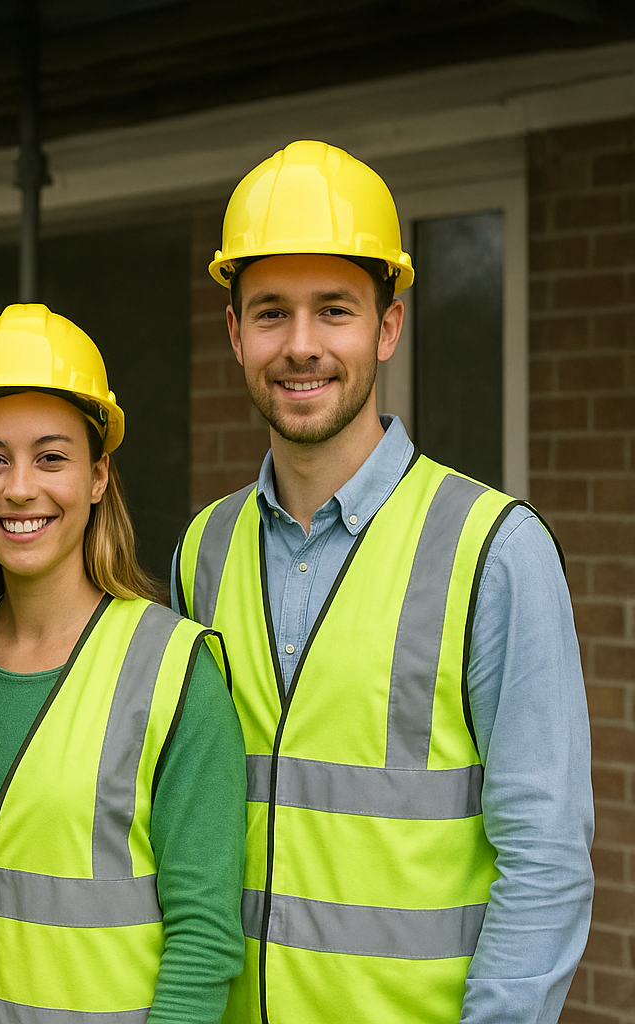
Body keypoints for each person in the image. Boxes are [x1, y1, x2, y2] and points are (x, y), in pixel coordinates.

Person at [173, 140, 594, 1024]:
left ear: (388, 328)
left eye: (334, 310)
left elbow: (546, 863)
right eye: (271, 312)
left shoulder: (495, 551)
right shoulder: (201, 551)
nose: (301, 346)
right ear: (235, 333)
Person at [0, 304, 246, 1023]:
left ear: (99, 475)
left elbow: (204, 940)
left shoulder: (173, 670)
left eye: (51, 457)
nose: (20, 488)